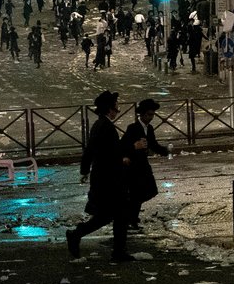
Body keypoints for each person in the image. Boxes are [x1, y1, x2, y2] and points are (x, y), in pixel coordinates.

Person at [66, 90, 133, 262]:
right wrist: (124, 158)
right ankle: (115, 250)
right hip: (109, 179)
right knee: (117, 214)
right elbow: (108, 153)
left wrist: (84, 170)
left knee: (112, 215)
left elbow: (91, 150)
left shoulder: (100, 125)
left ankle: (116, 249)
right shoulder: (106, 127)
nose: (118, 108)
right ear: (110, 109)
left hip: (104, 178)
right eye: (116, 105)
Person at [121, 99, 169, 230]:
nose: (150, 117)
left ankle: (130, 217)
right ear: (141, 115)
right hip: (133, 166)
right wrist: (133, 148)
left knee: (150, 191)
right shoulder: (133, 128)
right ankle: (131, 219)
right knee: (137, 194)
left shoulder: (150, 128)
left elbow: (153, 144)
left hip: (143, 165)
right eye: (148, 114)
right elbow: (123, 145)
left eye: (152, 115)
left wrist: (165, 151)